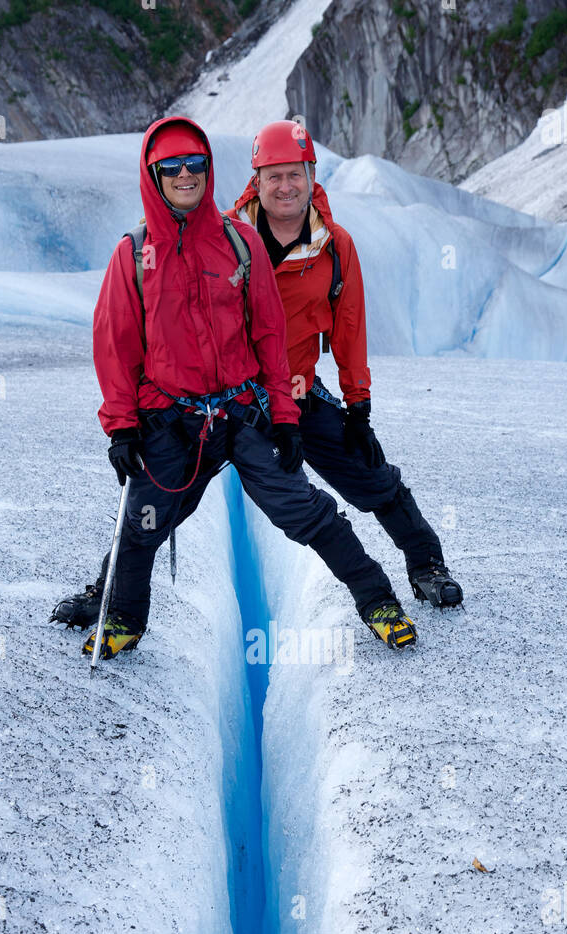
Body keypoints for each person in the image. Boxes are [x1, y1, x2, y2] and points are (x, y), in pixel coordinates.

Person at [61, 116, 417, 659]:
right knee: (144, 521)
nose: (186, 175)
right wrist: (122, 428)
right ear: (152, 175)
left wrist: (285, 416)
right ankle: (122, 616)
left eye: (195, 164)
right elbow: (116, 346)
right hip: (171, 417)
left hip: (241, 411)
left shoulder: (237, 243)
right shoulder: (134, 255)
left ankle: (378, 600)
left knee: (304, 510)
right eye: (172, 167)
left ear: (209, 168)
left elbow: (271, 338)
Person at [228, 119, 462, 609]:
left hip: (296, 393)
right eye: (274, 175)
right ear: (257, 179)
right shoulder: (226, 241)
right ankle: (113, 596)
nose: (286, 185)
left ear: (312, 175)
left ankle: (426, 566)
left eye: (295, 173)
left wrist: (359, 407)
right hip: (227, 399)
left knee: (374, 476)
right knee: (162, 493)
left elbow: (349, 329)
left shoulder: (335, 246)